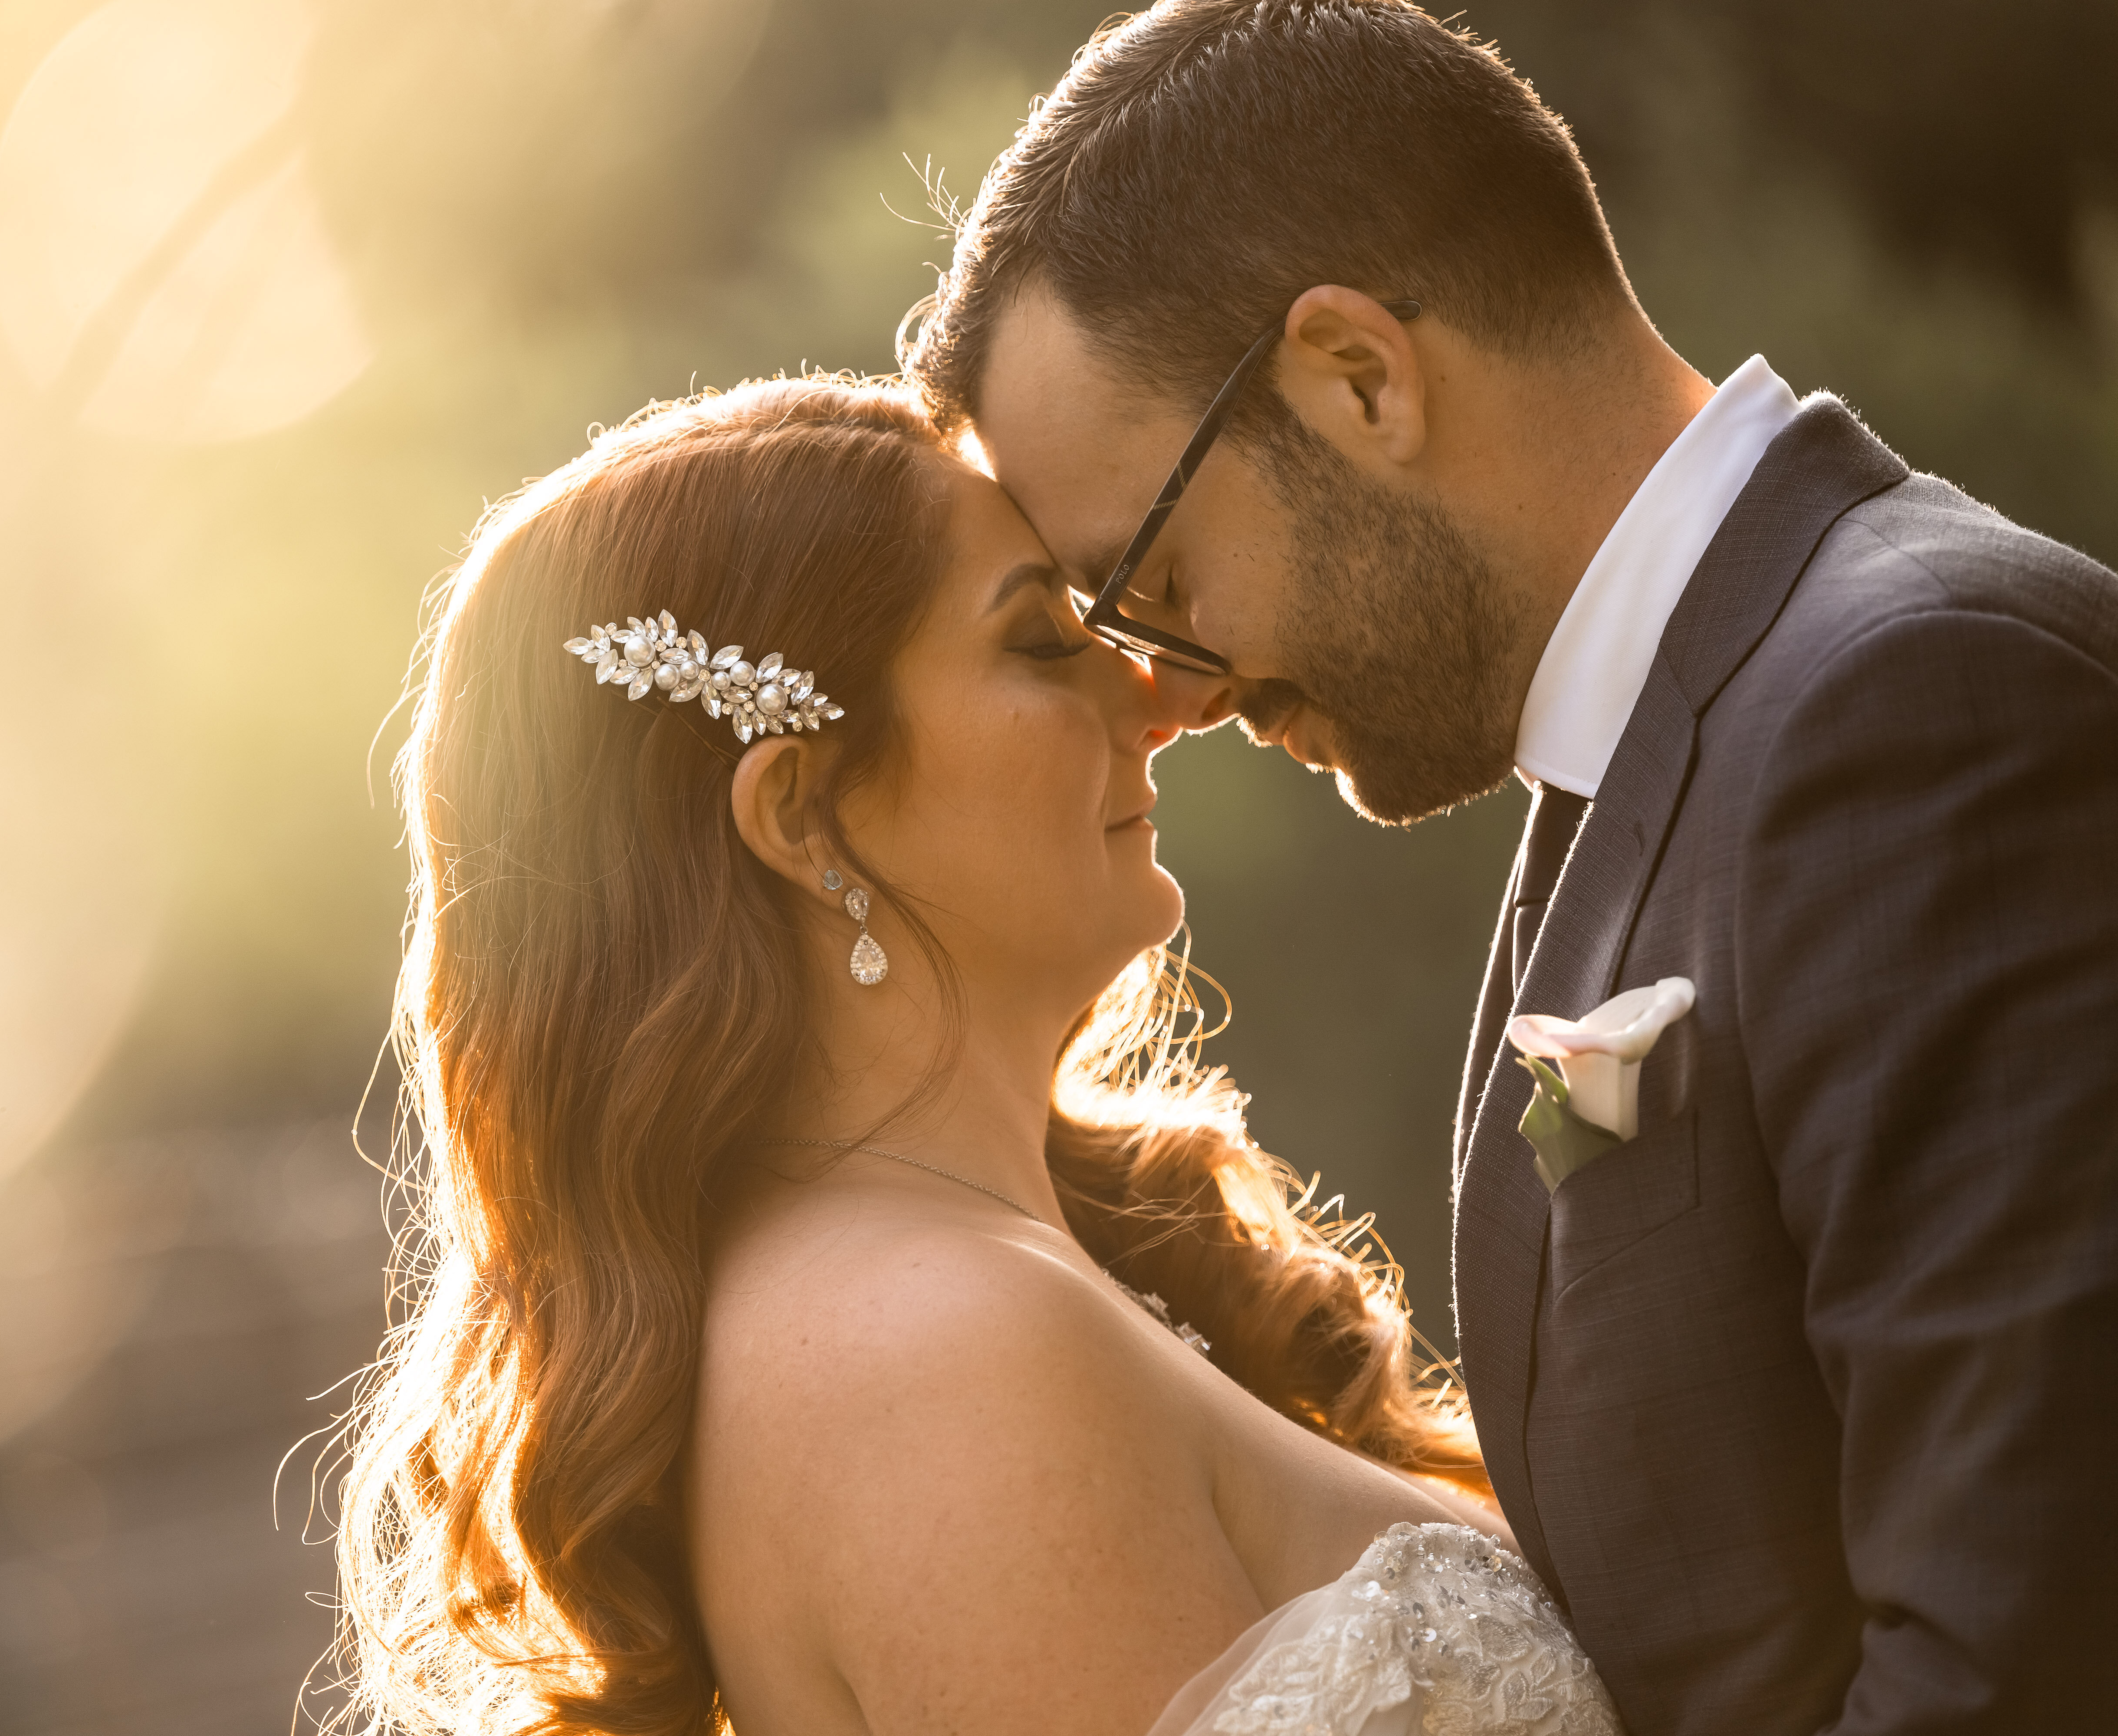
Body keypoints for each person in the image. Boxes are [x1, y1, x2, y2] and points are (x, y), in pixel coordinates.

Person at [900, 1, 2118, 1732]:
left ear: (1362, 379)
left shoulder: (1919, 708)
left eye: (1154, 582)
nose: (1169, 694)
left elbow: (2031, 1657)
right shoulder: (1669, 743)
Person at [333, 375, 1621, 1734]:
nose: (1159, 699)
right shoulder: (930, 1357)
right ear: (805, 812)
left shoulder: (963, 1286)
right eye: (1042, 641)